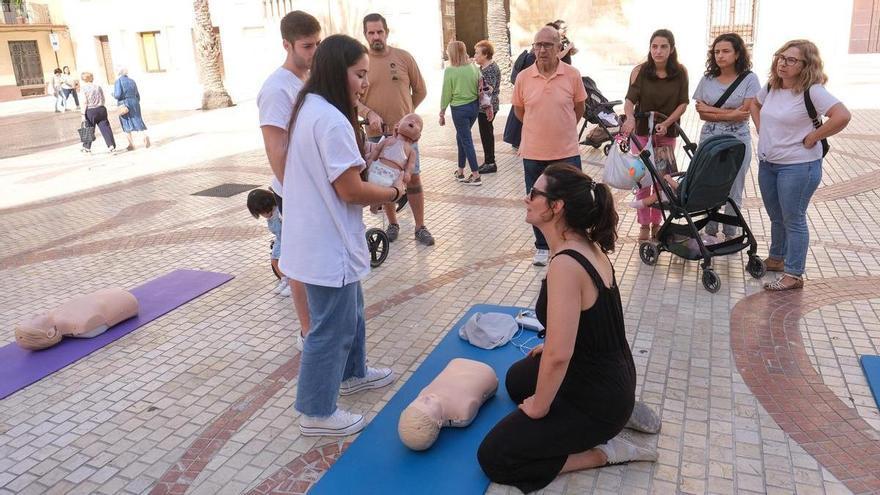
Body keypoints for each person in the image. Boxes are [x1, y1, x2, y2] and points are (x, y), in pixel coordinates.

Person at [477, 164, 657, 493]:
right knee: (519, 379)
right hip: (609, 375)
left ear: (556, 206)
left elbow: (560, 356)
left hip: (599, 397)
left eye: (534, 194)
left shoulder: (565, 264)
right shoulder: (584, 245)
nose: (526, 199)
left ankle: (604, 451)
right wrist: (551, 350)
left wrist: (541, 406)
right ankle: (621, 411)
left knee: (495, 456)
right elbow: (593, 321)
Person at [281, 34, 403, 436]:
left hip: (325, 238)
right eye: (359, 74)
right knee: (329, 328)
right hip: (324, 243)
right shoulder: (329, 119)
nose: (364, 83)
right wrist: (392, 192)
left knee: (350, 313)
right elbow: (349, 190)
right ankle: (316, 413)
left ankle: (353, 374)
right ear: (338, 72)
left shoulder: (313, 109)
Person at [753, 39, 851, 291]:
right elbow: (754, 104)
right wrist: (762, 129)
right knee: (776, 216)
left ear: (806, 65)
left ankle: (794, 274)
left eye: (790, 60)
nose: (782, 63)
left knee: (793, 219)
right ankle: (777, 258)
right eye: (780, 57)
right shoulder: (773, 86)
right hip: (769, 164)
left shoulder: (813, 91)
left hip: (798, 167)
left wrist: (814, 136)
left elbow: (842, 116)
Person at [257, 10, 321, 348]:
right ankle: (307, 331)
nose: (314, 52)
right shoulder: (276, 89)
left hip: (314, 189)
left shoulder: (309, 81)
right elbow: (276, 148)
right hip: (294, 192)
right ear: (287, 44)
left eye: (318, 44)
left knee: (315, 260)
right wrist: (297, 194)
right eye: (307, 46)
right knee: (299, 260)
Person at [512, 26, 587, 266]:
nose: (542, 50)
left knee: (571, 200)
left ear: (559, 48)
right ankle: (542, 247)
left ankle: (569, 243)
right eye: (538, 45)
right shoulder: (524, 77)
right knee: (537, 201)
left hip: (566, 152)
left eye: (547, 45)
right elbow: (520, 111)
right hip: (534, 152)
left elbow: (579, 109)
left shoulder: (573, 75)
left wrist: (562, 128)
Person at [358, 13, 434, 246]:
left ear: (387, 32)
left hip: (405, 138)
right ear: (365, 35)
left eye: (379, 31)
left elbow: (420, 90)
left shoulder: (403, 57)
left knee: (413, 179)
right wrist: (369, 114)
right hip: (375, 134)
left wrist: (407, 120)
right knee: (384, 179)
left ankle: (420, 226)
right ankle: (393, 224)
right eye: (371, 32)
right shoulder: (360, 63)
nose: (376, 36)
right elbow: (353, 99)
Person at [621, 29, 689, 241]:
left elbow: (683, 102)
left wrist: (668, 123)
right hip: (641, 133)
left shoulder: (680, 72)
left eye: (663, 46)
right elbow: (630, 100)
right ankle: (643, 223)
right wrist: (630, 117)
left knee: (661, 179)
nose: (658, 51)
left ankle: (657, 223)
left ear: (672, 49)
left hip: (666, 134)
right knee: (642, 179)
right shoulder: (640, 71)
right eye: (654, 46)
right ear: (650, 48)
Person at [693, 33, 760, 240]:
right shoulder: (707, 79)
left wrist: (715, 111)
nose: (720, 56)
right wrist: (730, 114)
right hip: (710, 138)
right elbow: (701, 113)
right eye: (716, 52)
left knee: (734, 186)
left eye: (725, 51)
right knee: (710, 183)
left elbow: (745, 112)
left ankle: (731, 231)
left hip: (738, 139)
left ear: (737, 53)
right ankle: (710, 230)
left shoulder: (749, 78)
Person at [439, 40, 482, 185]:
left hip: (460, 110)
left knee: (466, 140)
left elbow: (446, 92)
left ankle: (476, 175)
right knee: (461, 137)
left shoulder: (450, 70)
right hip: (474, 108)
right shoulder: (473, 67)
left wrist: (442, 112)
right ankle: (461, 171)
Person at [366, 112, 423, 213]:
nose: (413, 121)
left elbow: (410, 166)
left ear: (418, 136)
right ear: (397, 125)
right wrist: (371, 160)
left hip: (392, 176)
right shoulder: (388, 140)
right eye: (409, 119)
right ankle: (374, 203)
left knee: (384, 194)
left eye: (418, 123)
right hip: (376, 169)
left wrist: (407, 174)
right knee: (372, 190)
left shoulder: (411, 151)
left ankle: (376, 204)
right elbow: (377, 150)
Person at [247, 189, 290, 297]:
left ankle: (292, 284)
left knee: (288, 262)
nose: (263, 215)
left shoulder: (279, 212)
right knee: (274, 260)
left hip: (288, 240)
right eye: (260, 213)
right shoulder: (270, 214)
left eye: (263, 212)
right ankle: (284, 280)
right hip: (280, 239)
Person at [474, 40, 500, 174]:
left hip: (488, 107)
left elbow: (488, 89)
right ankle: (488, 160)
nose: (475, 56)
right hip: (484, 107)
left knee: (487, 134)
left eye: (477, 53)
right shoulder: (483, 68)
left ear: (485, 55)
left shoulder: (490, 69)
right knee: (485, 134)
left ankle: (490, 162)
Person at [113, 68, 150, 150]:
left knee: (126, 123)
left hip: (124, 103)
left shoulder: (118, 81)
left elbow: (118, 95)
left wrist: (113, 94)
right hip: (135, 102)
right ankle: (144, 136)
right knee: (137, 119)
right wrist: (135, 101)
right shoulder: (132, 81)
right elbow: (137, 94)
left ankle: (131, 144)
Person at [79, 72, 116, 153]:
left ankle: (86, 147)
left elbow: (84, 102)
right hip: (101, 109)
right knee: (105, 128)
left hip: (90, 110)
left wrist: (83, 114)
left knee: (89, 128)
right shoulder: (98, 87)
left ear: (83, 79)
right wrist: (100, 104)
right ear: (91, 78)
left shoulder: (83, 89)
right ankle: (111, 145)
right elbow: (103, 98)